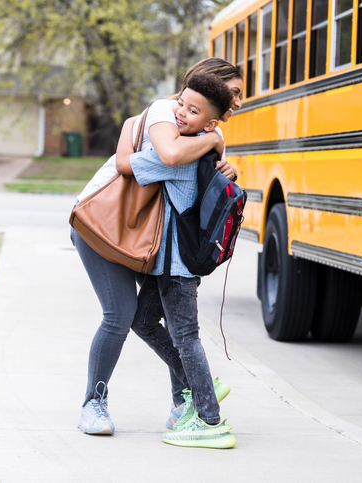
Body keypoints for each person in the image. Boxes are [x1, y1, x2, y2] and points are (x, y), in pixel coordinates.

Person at [71, 59, 243, 440]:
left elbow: (139, 161)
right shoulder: (176, 126)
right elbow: (146, 158)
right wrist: (210, 142)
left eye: (237, 96)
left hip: (169, 256)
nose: (238, 103)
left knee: (181, 334)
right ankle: (190, 396)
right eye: (233, 93)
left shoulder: (190, 146)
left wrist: (210, 147)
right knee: (135, 319)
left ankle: (204, 412)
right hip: (109, 229)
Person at [115, 73, 237, 449]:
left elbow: (124, 165)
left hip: (177, 265)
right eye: (180, 103)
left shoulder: (184, 153)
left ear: (210, 123)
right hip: (168, 261)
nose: (181, 113)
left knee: (186, 337)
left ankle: (210, 419)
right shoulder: (203, 144)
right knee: (142, 318)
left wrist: (128, 125)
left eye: (193, 110)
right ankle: (199, 383)